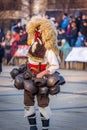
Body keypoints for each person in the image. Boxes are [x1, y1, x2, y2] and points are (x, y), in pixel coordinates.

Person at [24, 16, 60, 130]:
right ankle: (32, 127)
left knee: (43, 104)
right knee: (28, 103)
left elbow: (55, 65)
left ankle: (45, 128)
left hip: (42, 79)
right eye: (35, 31)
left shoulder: (48, 49)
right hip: (30, 77)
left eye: (39, 31)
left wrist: (43, 72)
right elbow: (29, 61)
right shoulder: (32, 46)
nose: (36, 34)